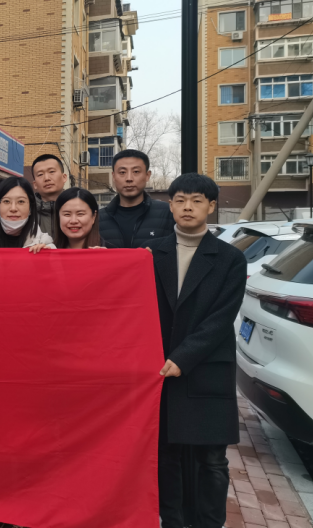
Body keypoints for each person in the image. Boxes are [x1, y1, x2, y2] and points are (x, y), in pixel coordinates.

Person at [146, 173, 247, 528]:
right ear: (170, 205)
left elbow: (221, 318)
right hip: (160, 369)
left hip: (206, 368)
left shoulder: (231, 258)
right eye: (180, 200)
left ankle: (210, 523)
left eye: (197, 201)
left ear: (211, 206)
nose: (187, 207)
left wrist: (183, 357)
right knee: (167, 456)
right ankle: (172, 521)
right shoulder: (151, 254)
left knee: (212, 460)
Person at [99, 149, 174, 248]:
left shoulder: (168, 213)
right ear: (114, 176)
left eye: (136, 171)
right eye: (122, 172)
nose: (129, 178)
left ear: (147, 175)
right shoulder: (98, 219)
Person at [0, 176, 54, 252]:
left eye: (21, 201)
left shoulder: (45, 245)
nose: (13, 208)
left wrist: (47, 256)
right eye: (6, 201)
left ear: (31, 208)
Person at [31, 154, 69, 237]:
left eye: (51, 172)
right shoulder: (27, 212)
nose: (47, 178)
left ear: (64, 177)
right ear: (35, 184)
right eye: (40, 174)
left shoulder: (77, 208)